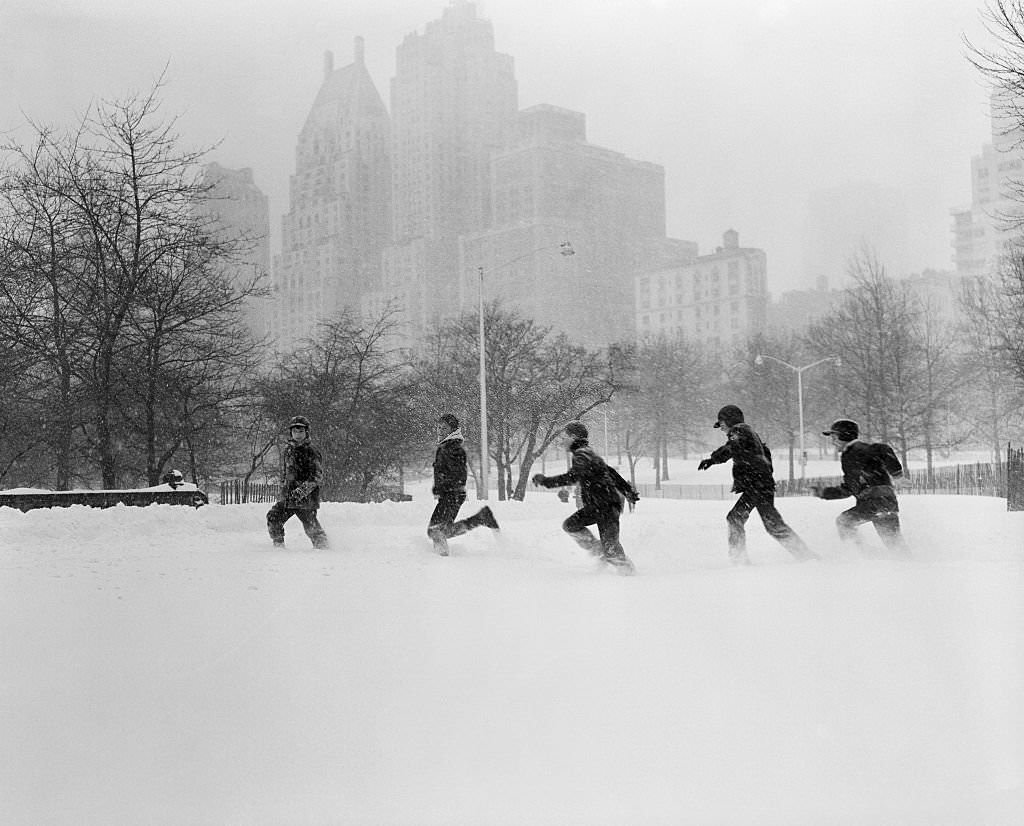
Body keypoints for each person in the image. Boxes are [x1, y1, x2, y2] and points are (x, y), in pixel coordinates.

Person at [697, 404, 817, 565]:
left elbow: (731, 447)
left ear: (729, 420)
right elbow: (765, 454)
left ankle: (738, 560)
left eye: (722, 423)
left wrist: (713, 459)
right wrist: (763, 477)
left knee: (734, 518)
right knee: (772, 524)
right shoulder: (750, 433)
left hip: (757, 485)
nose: (721, 428)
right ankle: (806, 556)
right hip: (761, 484)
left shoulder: (738, 431)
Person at [531, 420, 639, 574]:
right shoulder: (586, 452)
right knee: (572, 526)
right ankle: (603, 552)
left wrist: (545, 481)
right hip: (600, 506)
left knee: (611, 549)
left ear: (574, 437)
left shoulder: (582, 454)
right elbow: (610, 472)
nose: (563, 440)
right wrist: (628, 491)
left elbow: (573, 476)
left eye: (565, 437)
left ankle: (631, 575)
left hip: (605, 506)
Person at [812, 418, 910, 557]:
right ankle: (910, 563)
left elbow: (884, 449)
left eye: (834, 437)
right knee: (894, 543)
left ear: (844, 435)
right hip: (885, 501)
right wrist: (824, 492)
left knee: (844, 521)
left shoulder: (857, 449)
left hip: (875, 501)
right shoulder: (850, 455)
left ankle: (861, 554)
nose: (832, 442)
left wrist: (897, 475)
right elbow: (849, 488)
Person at [428, 413, 500, 556]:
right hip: (451, 494)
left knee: (435, 530)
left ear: (452, 429)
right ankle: (480, 518)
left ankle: (441, 559)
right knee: (441, 529)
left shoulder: (453, 448)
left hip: (452, 494)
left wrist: (443, 486)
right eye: (439, 428)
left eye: (444, 428)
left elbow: (459, 474)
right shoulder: (446, 446)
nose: (440, 430)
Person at [266, 415, 330, 549]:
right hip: (288, 496)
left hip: (306, 499)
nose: (298, 434)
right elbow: (285, 473)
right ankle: (278, 546)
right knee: (274, 517)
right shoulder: (288, 450)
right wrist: (284, 488)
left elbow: (317, 476)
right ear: (291, 433)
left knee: (311, 526)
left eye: (301, 431)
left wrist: (301, 491)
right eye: (295, 431)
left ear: (306, 432)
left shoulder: (311, 451)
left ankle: (324, 549)